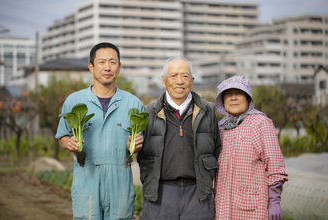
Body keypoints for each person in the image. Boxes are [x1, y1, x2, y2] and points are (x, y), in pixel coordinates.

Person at [55, 42, 144, 220]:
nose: (107, 67)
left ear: (119, 67)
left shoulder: (133, 103)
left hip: (120, 181)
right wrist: (69, 142)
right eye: (102, 62)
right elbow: (63, 135)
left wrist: (135, 146)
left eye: (112, 62)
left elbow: (139, 144)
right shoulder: (74, 101)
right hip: (86, 177)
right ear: (91, 67)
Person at [137, 57, 221, 220]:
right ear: (164, 81)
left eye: (184, 76)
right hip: (159, 195)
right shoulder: (147, 113)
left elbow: (217, 150)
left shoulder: (208, 111)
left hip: (198, 195)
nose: (179, 81)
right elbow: (136, 152)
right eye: (173, 76)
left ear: (192, 80)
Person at [214, 75, 289, 220]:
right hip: (224, 205)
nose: (233, 98)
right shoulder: (220, 127)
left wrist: (274, 201)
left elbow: (275, 165)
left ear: (248, 98)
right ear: (222, 101)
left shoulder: (260, 123)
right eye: (228, 94)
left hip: (252, 206)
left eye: (239, 93)